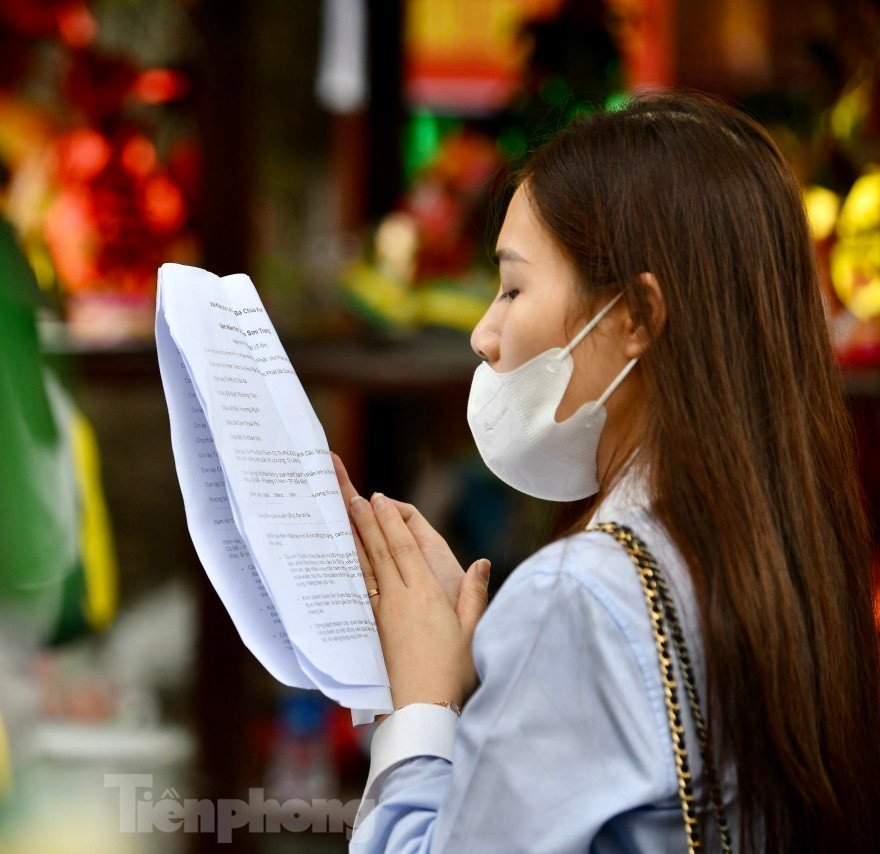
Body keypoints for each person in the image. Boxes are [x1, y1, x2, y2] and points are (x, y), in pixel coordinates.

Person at [335, 89, 880, 853]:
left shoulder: (581, 597)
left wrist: (421, 707)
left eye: (513, 287)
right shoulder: (794, 556)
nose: (485, 335)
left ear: (635, 317)